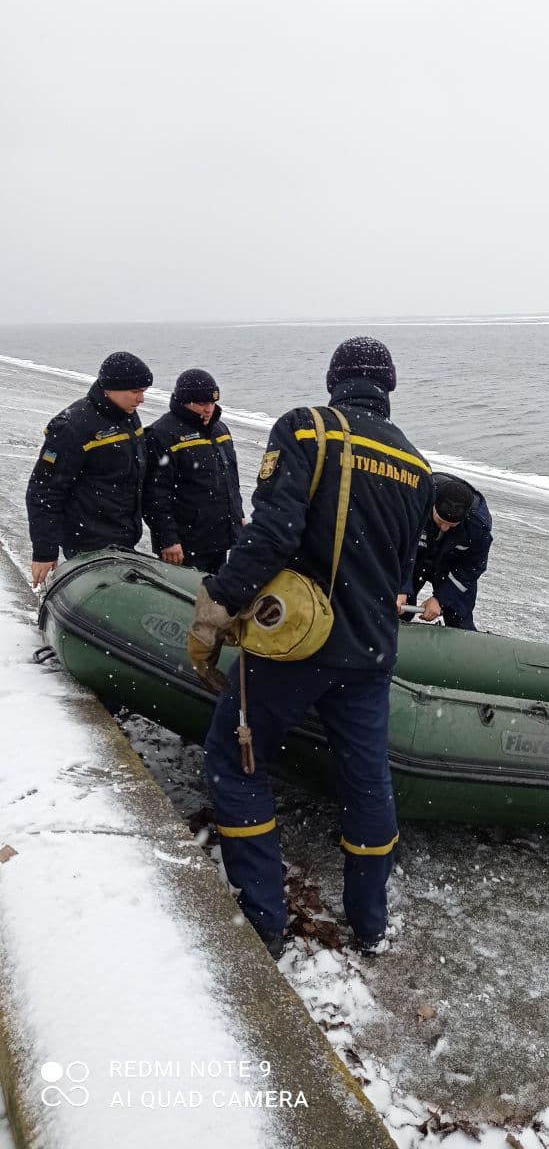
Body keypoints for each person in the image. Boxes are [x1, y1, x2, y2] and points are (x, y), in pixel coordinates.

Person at [188, 337, 433, 959]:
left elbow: (274, 530)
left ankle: (264, 914)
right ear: (388, 387)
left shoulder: (308, 429)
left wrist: (221, 600)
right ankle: (370, 921)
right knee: (368, 780)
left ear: (333, 381)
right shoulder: (418, 466)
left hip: (298, 643)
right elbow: (404, 573)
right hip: (372, 650)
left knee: (236, 754)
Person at [26, 351, 153, 588]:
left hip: (123, 537)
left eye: (143, 392)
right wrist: (44, 552)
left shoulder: (129, 417)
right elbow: (43, 491)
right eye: (135, 392)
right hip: (88, 543)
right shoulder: (72, 427)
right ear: (111, 389)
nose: (141, 399)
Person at [143, 368, 244, 573]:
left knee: (216, 599)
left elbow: (231, 481)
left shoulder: (221, 430)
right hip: (185, 544)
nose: (209, 409)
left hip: (222, 538)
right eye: (201, 403)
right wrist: (167, 539)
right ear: (184, 402)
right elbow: (154, 495)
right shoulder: (162, 435)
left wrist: (238, 515)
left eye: (212, 402)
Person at [397, 472, 493, 630]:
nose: (445, 528)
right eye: (441, 522)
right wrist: (400, 588)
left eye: (451, 525)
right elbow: (396, 549)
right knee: (398, 606)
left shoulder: (477, 525)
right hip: (413, 559)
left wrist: (440, 599)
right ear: (433, 505)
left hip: (451, 566)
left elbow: (471, 568)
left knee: (458, 616)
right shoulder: (414, 504)